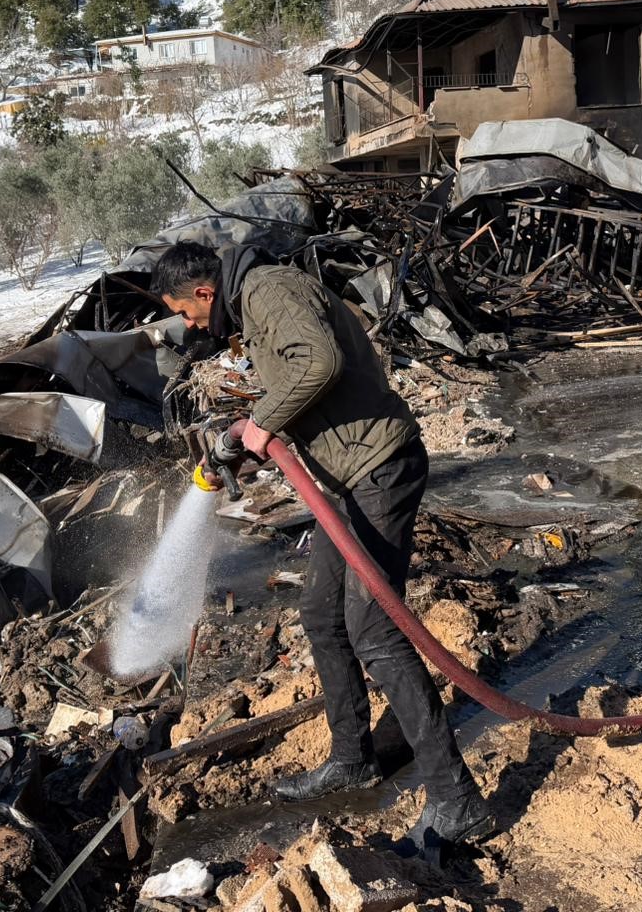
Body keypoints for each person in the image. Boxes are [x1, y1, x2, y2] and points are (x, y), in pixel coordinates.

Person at [150, 241, 494, 844]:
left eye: (185, 312)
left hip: (378, 468)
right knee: (321, 615)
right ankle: (352, 758)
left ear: (203, 292)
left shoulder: (268, 289)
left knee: (374, 629)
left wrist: (260, 425)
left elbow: (319, 362)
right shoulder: (255, 304)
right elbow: (301, 384)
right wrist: (249, 432)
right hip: (347, 478)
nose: (190, 325)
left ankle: (457, 799)